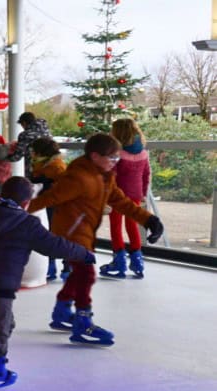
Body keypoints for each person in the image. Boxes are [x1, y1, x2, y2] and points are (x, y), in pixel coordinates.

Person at [0, 176, 95, 391]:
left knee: (5, 324)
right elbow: (55, 246)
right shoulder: (27, 224)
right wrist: (84, 254)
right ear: (26, 202)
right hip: (1, 285)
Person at [28, 133, 164, 346]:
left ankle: (62, 313)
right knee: (86, 274)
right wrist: (13, 210)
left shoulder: (105, 176)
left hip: (85, 232)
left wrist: (149, 220)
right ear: (94, 156)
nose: (115, 162)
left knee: (77, 275)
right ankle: (83, 321)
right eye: (111, 158)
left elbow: (122, 202)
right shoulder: (77, 178)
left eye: (117, 158)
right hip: (70, 234)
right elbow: (49, 198)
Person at [100, 119, 151, 278]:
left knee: (116, 227)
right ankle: (137, 262)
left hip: (118, 197)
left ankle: (119, 262)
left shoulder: (117, 154)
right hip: (135, 195)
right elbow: (146, 174)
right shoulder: (142, 152)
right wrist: (142, 193)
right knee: (132, 226)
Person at [29, 137, 68, 281]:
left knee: (57, 235)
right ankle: (51, 264)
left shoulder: (55, 166)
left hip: (58, 205)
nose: (31, 153)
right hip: (47, 204)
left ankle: (66, 266)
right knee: (49, 234)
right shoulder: (41, 165)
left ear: (41, 151)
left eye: (33, 151)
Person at [7, 112, 51, 178]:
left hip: (34, 167)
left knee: (33, 186)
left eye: (22, 125)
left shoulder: (25, 134)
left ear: (24, 123)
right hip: (50, 164)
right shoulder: (46, 130)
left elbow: (18, 155)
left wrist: (5, 158)